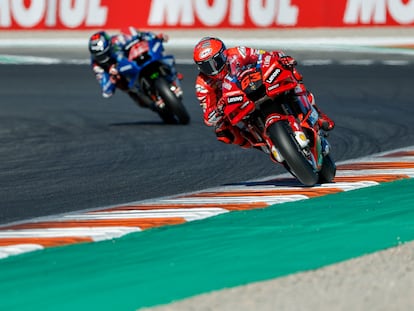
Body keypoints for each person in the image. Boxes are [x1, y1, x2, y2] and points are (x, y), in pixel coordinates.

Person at [193, 37, 335, 149]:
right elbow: (208, 116)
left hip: (258, 85)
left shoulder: (238, 53)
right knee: (222, 132)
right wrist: (218, 110)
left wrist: (280, 59)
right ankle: (256, 142)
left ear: (223, 54)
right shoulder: (203, 84)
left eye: (216, 62)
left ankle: (316, 113)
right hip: (237, 106)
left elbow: (264, 56)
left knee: (288, 70)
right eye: (206, 66)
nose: (213, 69)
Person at [88, 28, 174, 109]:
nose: (103, 58)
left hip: (135, 62)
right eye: (99, 56)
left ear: (110, 46)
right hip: (125, 78)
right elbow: (106, 92)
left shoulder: (119, 39)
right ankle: (144, 96)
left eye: (104, 54)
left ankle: (172, 75)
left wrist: (155, 37)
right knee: (142, 103)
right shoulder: (97, 65)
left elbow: (141, 35)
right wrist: (112, 79)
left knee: (158, 55)